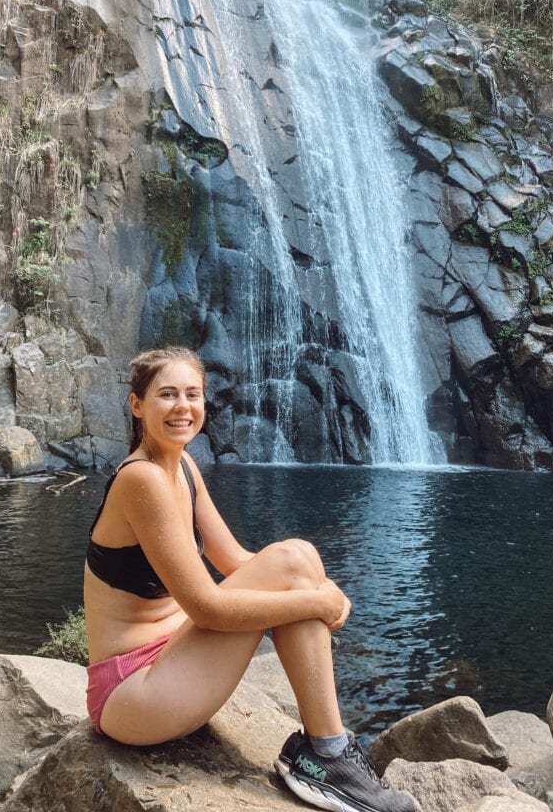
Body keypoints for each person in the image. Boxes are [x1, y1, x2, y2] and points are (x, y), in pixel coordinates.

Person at [84, 346, 416, 812]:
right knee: (295, 571)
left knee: (298, 558)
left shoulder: (182, 468)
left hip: (174, 662)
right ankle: (328, 755)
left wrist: (311, 584)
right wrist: (314, 604)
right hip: (133, 693)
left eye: (192, 394)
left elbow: (238, 561)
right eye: (167, 395)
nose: (183, 407)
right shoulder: (142, 480)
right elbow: (206, 608)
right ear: (137, 405)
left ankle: (326, 750)